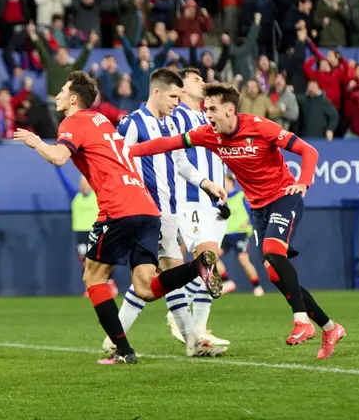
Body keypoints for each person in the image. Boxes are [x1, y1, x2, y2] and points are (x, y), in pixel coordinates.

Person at [13, 71, 222, 365]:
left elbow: (59, 157)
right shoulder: (103, 121)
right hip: (148, 208)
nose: (57, 95)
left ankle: (123, 351)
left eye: (61, 90)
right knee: (146, 288)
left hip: (118, 208)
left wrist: (35, 141)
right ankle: (199, 266)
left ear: (74, 99)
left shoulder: (74, 121)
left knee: (93, 276)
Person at [127, 82, 347, 360]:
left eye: (213, 109)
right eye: (206, 109)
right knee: (274, 273)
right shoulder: (209, 135)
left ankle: (302, 321)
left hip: (283, 196)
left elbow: (309, 152)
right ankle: (330, 327)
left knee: (272, 252)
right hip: (257, 208)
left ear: (230, 110)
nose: (207, 115)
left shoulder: (260, 126)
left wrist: (303, 183)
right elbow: (167, 144)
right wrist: (127, 152)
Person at [108, 68, 228, 358]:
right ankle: (192, 341)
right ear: (157, 92)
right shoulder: (133, 123)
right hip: (146, 210)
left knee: (163, 277)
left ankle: (115, 340)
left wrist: (207, 183)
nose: (177, 102)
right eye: (173, 96)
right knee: (164, 275)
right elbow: (116, 162)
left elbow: (181, 162)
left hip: (171, 210)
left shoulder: (172, 125)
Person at [163, 67, 231, 349]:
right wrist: (205, 183)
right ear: (181, 88)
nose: (202, 82)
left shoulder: (209, 117)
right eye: (196, 79)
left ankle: (200, 330)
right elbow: (179, 159)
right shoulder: (176, 115)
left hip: (216, 200)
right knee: (205, 260)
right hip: (191, 197)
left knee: (210, 265)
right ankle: (176, 315)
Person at [55, 165, 118, 298]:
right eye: (81, 183)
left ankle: (110, 283)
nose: (83, 185)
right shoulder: (75, 196)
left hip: (96, 231)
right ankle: (90, 287)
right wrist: (57, 168)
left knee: (101, 260)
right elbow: (64, 181)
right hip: (80, 233)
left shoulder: (96, 195)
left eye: (86, 183)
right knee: (85, 262)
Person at [217, 173, 264, 296]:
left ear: (232, 182)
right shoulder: (221, 199)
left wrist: (250, 222)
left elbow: (254, 209)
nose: (223, 184)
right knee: (211, 257)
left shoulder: (241, 196)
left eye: (225, 181)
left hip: (240, 234)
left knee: (243, 260)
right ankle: (226, 281)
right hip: (225, 235)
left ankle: (257, 287)